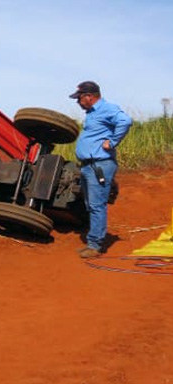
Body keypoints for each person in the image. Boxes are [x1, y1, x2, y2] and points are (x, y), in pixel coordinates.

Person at [69, 81, 132, 258]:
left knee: (97, 205)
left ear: (89, 96)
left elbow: (126, 121)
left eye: (79, 98)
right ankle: (93, 241)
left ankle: (95, 246)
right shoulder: (91, 113)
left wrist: (111, 142)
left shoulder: (106, 108)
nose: (78, 102)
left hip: (100, 165)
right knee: (91, 204)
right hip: (89, 165)